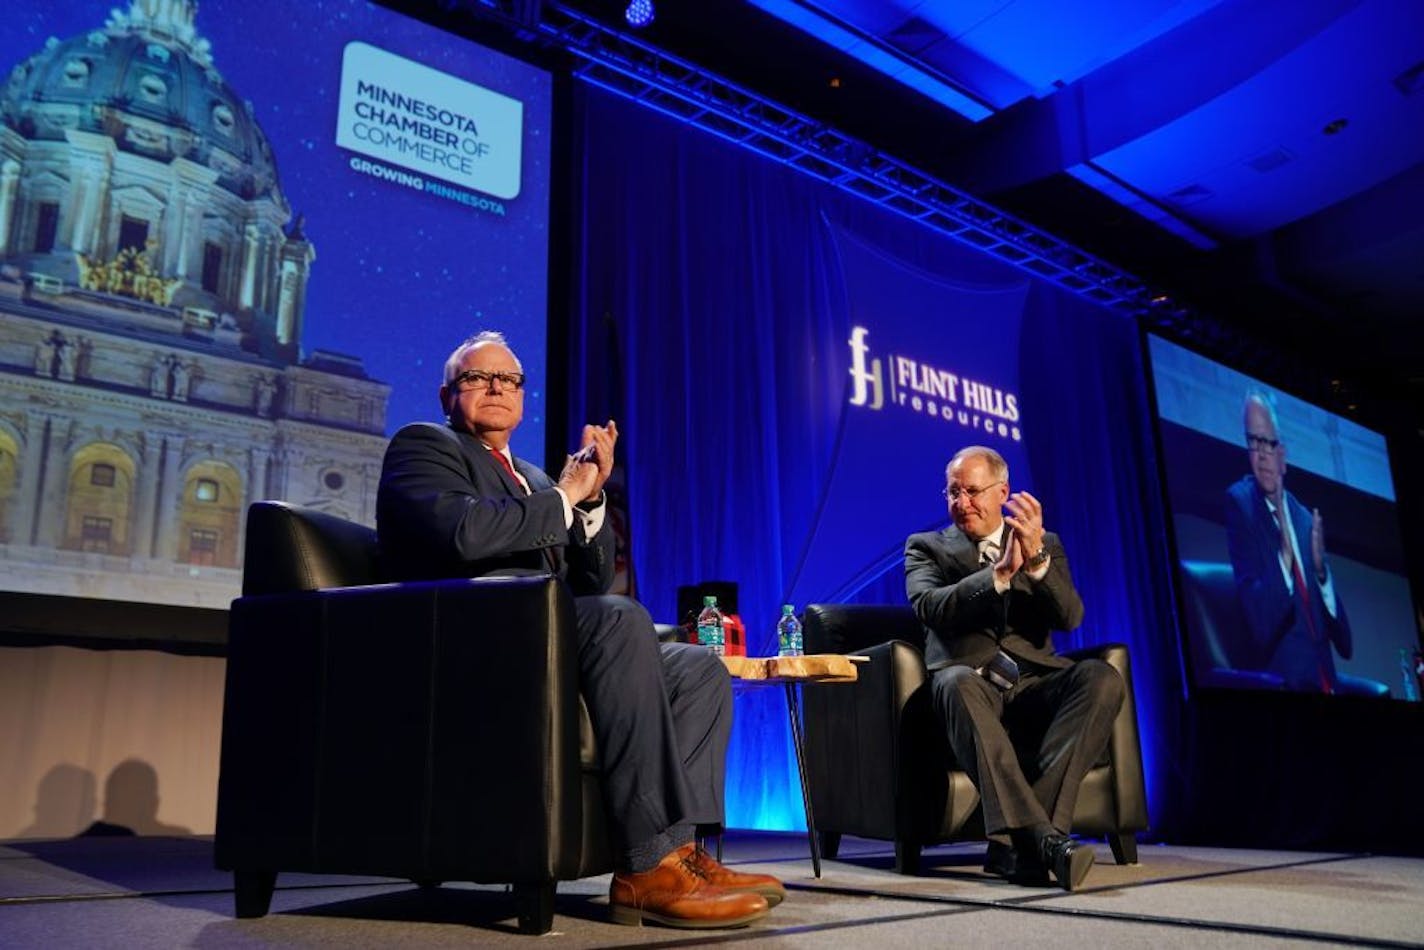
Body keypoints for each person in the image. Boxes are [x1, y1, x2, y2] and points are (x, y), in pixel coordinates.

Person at [376, 330, 783, 929]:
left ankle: (682, 853)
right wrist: (566, 494)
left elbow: (590, 578)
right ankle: (646, 865)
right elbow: (466, 535)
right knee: (621, 618)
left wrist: (589, 502)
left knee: (696, 665)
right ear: (446, 395)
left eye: (510, 380)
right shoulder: (424, 448)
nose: (496, 389)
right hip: (479, 640)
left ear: (522, 398)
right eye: (477, 378)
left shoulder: (538, 480)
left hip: (552, 637)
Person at [904, 446, 1123, 891]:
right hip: (968, 683)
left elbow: (1070, 618)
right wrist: (999, 576)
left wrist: (1037, 561)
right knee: (956, 682)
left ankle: (1019, 845)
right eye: (952, 492)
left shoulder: (1044, 542)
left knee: (1102, 677)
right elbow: (930, 606)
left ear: (1002, 491)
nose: (961, 502)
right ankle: (1045, 843)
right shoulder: (926, 547)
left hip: (1032, 685)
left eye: (972, 491)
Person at [1224, 390, 1352, 693]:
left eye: (1269, 443)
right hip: (1285, 690)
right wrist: (1284, 558)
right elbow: (1258, 626)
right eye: (1254, 442)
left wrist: (1322, 576)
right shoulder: (1241, 506)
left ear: (1283, 453)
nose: (1263, 454)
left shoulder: (1306, 520)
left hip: (1329, 688)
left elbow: (1345, 644)